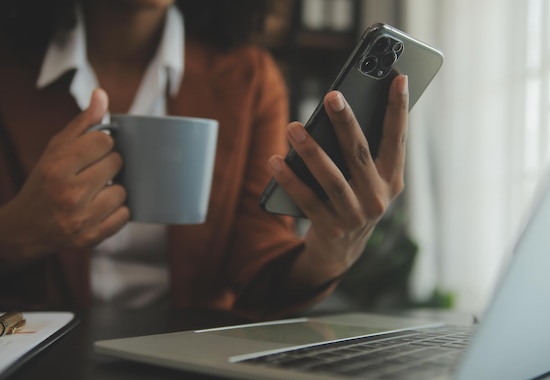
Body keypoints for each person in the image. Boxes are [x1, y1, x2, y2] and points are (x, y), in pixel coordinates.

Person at [0, 0, 409, 319]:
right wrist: (19, 230)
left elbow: (256, 272)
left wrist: (328, 254)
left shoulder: (249, 78)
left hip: (189, 364)